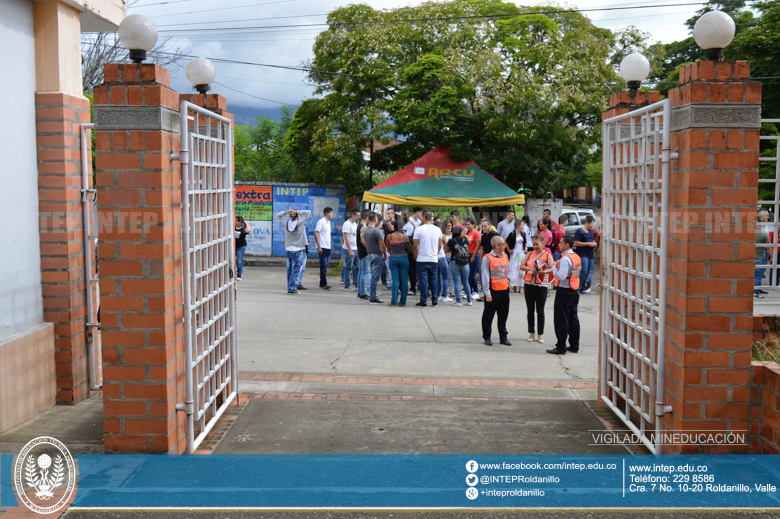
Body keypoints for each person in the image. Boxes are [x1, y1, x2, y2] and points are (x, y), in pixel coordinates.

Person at [547, 236, 582, 355]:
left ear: (567, 245)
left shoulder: (565, 259)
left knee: (561, 320)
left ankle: (561, 346)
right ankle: (574, 345)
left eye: (561, 243)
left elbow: (562, 276)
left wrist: (553, 267)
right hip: (573, 291)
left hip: (564, 291)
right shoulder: (575, 257)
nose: (559, 245)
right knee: (573, 319)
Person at [520, 235, 554, 343]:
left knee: (540, 310)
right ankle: (531, 332)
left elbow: (553, 268)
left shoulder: (547, 255)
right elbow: (522, 266)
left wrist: (543, 272)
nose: (535, 246)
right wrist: (529, 268)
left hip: (541, 285)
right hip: (529, 284)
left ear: (542, 243)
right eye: (533, 244)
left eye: (537, 244)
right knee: (530, 310)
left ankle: (540, 334)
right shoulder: (530, 254)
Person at [481, 235, 512, 346]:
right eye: (503, 244)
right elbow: (485, 276)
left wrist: (508, 282)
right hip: (493, 291)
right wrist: (487, 292)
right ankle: (487, 336)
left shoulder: (504, 255)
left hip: (504, 289)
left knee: (503, 315)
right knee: (489, 315)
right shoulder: (487, 258)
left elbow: (507, 270)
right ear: (496, 246)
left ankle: (503, 337)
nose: (505, 246)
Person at [276, 208, 311, 294]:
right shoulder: (300, 223)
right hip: (297, 250)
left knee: (290, 269)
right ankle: (291, 288)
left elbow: (278, 215)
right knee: (296, 270)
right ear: (297, 216)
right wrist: (298, 211)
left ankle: (290, 286)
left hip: (288, 249)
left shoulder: (286, 223)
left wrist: (286, 212)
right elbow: (308, 212)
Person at [413, 210, 443, 307]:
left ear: (424, 217)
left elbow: (415, 246)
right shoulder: (438, 230)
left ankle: (423, 300)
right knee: (434, 280)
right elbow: (439, 245)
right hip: (433, 258)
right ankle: (435, 300)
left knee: (423, 280)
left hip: (421, 258)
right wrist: (435, 254)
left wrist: (415, 257)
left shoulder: (419, 229)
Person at [363, 213, 387, 304]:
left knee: (372, 275)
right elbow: (382, 245)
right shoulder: (376, 231)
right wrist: (385, 254)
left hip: (370, 254)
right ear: (376, 220)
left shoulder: (365, 230)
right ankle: (373, 297)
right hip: (377, 255)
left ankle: (373, 296)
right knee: (375, 277)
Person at [386, 216, 410, 306]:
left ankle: (394, 301)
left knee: (395, 279)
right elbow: (407, 248)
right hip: (403, 258)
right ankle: (403, 301)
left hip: (393, 258)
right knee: (404, 280)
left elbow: (388, 249)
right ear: (402, 227)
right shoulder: (405, 236)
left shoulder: (389, 236)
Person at [447, 226, 473, 306]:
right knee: (466, 282)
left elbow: (448, 250)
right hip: (465, 263)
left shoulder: (451, 241)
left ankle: (458, 301)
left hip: (455, 262)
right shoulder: (465, 240)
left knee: (457, 282)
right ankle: (469, 300)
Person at [404, 206, 423, 295]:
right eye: (421, 212)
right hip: (411, 250)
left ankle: (415, 286)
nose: (422, 215)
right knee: (411, 270)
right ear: (417, 212)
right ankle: (412, 288)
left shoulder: (419, 222)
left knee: (416, 269)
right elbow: (406, 238)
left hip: (417, 249)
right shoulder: (410, 223)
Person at [314, 207, 333, 290]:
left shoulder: (328, 222)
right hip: (323, 247)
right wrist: (319, 246)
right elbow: (316, 233)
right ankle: (323, 283)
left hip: (328, 246)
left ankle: (322, 282)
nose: (332, 215)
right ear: (327, 213)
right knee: (323, 265)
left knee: (326, 265)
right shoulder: (321, 222)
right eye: (332, 213)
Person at [463, 217, 482, 300]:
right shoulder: (467, 232)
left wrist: (474, 255)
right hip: (467, 255)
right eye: (466, 225)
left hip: (474, 256)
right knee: (467, 275)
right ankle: (469, 292)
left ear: (473, 225)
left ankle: (476, 292)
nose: (467, 226)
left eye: (469, 225)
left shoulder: (476, 233)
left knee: (472, 275)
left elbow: (478, 245)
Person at [341, 209, 359, 292]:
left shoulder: (355, 223)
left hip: (356, 248)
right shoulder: (347, 224)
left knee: (357, 267)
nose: (359, 217)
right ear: (353, 215)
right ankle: (347, 285)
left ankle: (356, 283)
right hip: (349, 249)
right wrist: (350, 250)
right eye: (357, 215)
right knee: (348, 267)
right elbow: (346, 238)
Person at [506, 219, 525, 294]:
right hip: (514, 253)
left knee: (521, 269)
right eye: (522, 225)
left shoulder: (523, 233)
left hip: (521, 252)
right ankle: (513, 287)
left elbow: (525, 242)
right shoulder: (512, 234)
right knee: (514, 268)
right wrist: (509, 250)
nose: (523, 226)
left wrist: (526, 248)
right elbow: (506, 242)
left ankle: (521, 287)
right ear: (518, 226)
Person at [356, 210, 370, 300]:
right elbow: (362, 240)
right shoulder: (363, 227)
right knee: (364, 272)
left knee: (361, 272)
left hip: (360, 251)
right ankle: (363, 292)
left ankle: (360, 291)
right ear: (367, 218)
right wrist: (369, 248)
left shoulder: (359, 226)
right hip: (364, 252)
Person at [381, 207, 397, 290]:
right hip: (387, 247)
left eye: (389, 213)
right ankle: (390, 283)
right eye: (387, 213)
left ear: (393, 214)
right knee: (388, 266)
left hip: (394, 247)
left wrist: (387, 221)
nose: (388, 215)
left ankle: (392, 283)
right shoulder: (385, 223)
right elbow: (378, 227)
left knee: (392, 266)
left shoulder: (395, 222)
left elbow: (392, 229)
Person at [437, 220, 453, 302]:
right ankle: (444, 295)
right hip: (442, 257)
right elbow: (447, 246)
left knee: (437, 277)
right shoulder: (442, 235)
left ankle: (437, 294)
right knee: (445, 277)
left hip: (433, 258)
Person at [234, 216, 251, 281]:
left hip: (241, 247)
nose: (234, 222)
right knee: (232, 260)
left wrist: (246, 223)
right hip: (233, 247)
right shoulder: (233, 227)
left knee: (239, 261)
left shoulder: (243, 228)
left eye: (236, 221)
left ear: (239, 222)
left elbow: (249, 230)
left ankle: (239, 275)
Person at [757, 226, 770, 298]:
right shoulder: (764, 233)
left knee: (757, 275)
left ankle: (757, 289)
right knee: (759, 275)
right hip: (760, 256)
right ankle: (756, 291)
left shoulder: (750, 232)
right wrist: (772, 256)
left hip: (751, 256)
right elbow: (769, 246)